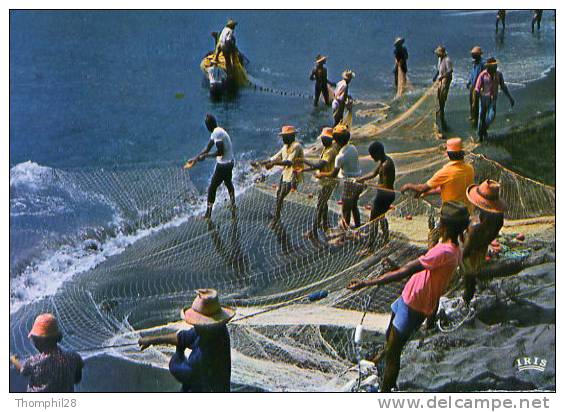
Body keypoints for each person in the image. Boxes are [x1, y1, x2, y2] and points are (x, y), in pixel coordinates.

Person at [347, 201, 470, 392]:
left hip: (414, 305)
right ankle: (384, 368)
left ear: (444, 226)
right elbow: (427, 274)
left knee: (394, 355)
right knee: (391, 338)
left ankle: (386, 391)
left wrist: (367, 283)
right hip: (408, 298)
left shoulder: (443, 251)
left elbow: (406, 271)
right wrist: (397, 267)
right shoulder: (451, 247)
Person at [138, 289, 234, 392]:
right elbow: (184, 337)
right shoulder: (217, 330)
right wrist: (153, 340)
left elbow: (179, 370)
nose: (194, 325)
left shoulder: (202, 357)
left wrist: (179, 351)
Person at [401, 138, 474, 247]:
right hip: (467, 212)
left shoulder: (445, 172)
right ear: (462, 153)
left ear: (448, 154)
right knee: (459, 236)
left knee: (434, 236)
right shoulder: (469, 168)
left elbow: (422, 188)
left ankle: (432, 259)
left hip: (451, 214)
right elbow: (450, 187)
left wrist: (408, 186)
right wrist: (428, 193)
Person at [10, 313, 84, 392]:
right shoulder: (74, 357)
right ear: (57, 336)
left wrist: (13, 359)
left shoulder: (34, 362)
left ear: (38, 341)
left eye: (33, 338)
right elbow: (77, 379)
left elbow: (22, 369)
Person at [461, 180, 506, 305]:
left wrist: (462, 256)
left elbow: (466, 250)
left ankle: (467, 299)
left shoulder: (475, 230)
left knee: (468, 275)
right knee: (475, 270)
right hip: (483, 246)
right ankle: (472, 288)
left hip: (472, 250)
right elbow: (491, 234)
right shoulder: (498, 218)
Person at [317, 124, 362, 229]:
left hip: (349, 184)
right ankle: (358, 226)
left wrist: (321, 174)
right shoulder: (353, 148)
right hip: (359, 181)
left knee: (345, 209)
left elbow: (333, 174)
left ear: (336, 141)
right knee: (354, 206)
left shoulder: (340, 157)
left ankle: (345, 232)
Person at [192, 114, 236, 220]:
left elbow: (220, 152)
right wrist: (196, 158)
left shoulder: (217, 133)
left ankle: (208, 214)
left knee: (212, 188)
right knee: (228, 182)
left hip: (224, 165)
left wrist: (206, 156)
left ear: (208, 126)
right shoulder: (217, 131)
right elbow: (207, 148)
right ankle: (233, 204)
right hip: (230, 161)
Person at [356, 141, 396, 253]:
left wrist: (370, 185)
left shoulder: (386, 165)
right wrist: (361, 179)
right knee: (381, 217)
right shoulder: (384, 161)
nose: (372, 157)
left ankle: (370, 247)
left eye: (372, 154)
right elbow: (373, 174)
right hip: (384, 195)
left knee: (373, 221)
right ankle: (386, 240)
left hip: (385, 196)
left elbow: (386, 185)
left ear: (378, 153)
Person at [263, 125, 304, 227]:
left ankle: (276, 220)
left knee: (281, 195)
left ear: (291, 136)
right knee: (278, 194)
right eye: (283, 137)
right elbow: (275, 157)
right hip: (285, 173)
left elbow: (289, 162)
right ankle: (277, 214)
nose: (283, 139)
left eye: (285, 137)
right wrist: (261, 163)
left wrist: (273, 164)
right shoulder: (285, 147)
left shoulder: (296, 146)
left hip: (293, 174)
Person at [303, 127, 339, 238]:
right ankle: (325, 224)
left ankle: (314, 230)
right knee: (323, 203)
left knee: (320, 204)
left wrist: (303, 161)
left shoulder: (330, 150)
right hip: (324, 181)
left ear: (331, 139)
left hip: (328, 181)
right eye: (323, 138)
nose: (323, 140)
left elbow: (320, 165)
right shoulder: (326, 148)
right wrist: (304, 169)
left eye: (325, 138)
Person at [475, 57, 515, 141]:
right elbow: (477, 88)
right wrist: (479, 98)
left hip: (493, 99)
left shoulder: (499, 74)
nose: (496, 67)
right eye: (494, 65)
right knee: (481, 117)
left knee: (491, 116)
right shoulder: (483, 75)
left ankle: (483, 129)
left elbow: (503, 86)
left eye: (496, 65)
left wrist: (510, 97)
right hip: (483, 98)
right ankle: (480, 136)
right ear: (489, 66)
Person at [432, 46, 453, 135]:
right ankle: (442, 120)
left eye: (438, 54)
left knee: (442, 101)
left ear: (442, 53)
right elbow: (438, 69)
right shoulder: (440, 59)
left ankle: (443, 122)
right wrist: (435, 76)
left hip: (445, 81)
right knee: (439, 100)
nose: (437, 55)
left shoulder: (447, 60)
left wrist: (442, 76)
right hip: (441, 80)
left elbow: (450, 71)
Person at [466, 46, 485, 126]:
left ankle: (475, 118)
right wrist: (469, 82)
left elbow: (484, 75)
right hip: (473, 85)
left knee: (475, 102)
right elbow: (472, 74)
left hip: (478, 85)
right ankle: (472, 115)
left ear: (478, 55)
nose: (472, 55)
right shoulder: (475, 62)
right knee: (471, 101)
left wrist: (482, 86)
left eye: (473, 54)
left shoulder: (482, 63)